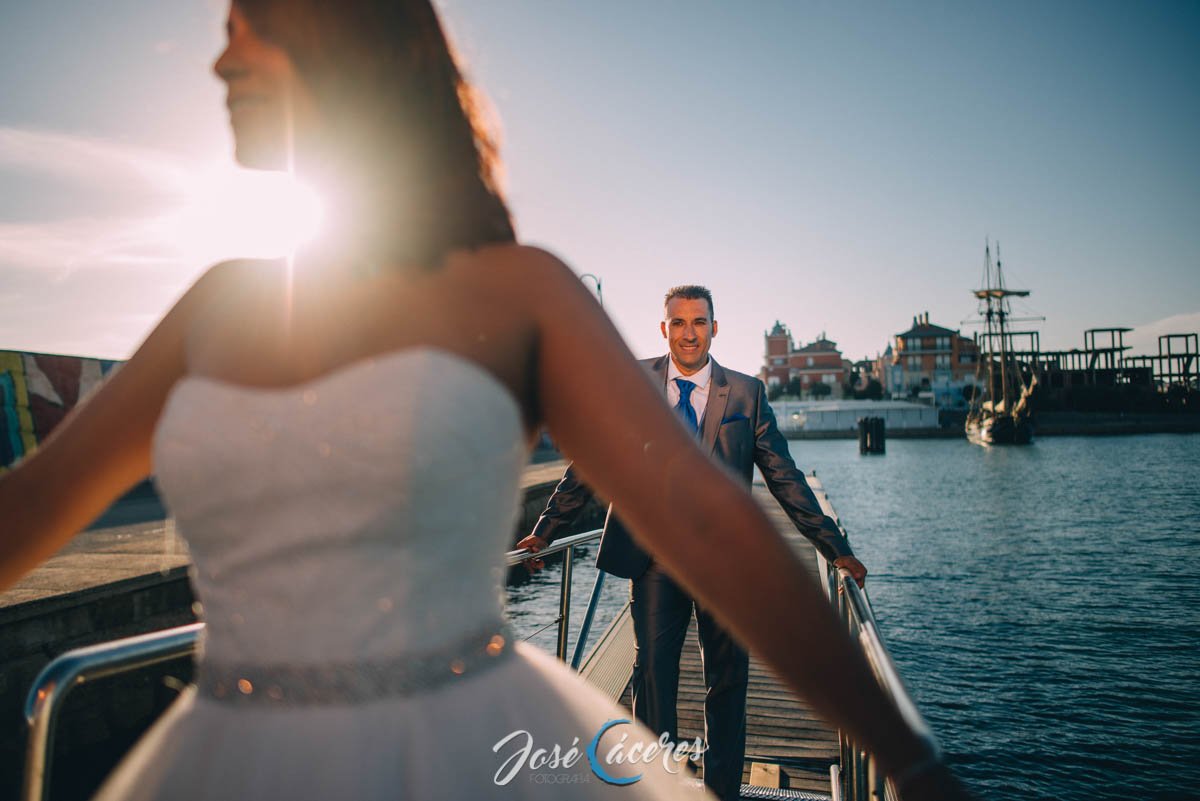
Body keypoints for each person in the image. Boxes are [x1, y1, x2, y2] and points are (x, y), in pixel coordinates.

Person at [0, 1, 970, 799]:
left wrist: (910, 758)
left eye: (249, 20)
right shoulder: (215, 307)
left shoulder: (521, 295)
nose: (220, 60)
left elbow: (707, 519)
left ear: (351, 37)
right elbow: (33, 506)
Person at [517, 286, 867, 801]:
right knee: (654, 684)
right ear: (664, 328)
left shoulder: (746, 394)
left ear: (714, 328)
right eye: (677, 322)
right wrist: (546, 530)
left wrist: (834, 547)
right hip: (654, 560)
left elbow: (785, 478)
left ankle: (721, 791)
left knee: (726, 686)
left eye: (698, 321)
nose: (688, 332)